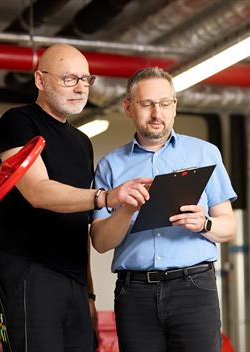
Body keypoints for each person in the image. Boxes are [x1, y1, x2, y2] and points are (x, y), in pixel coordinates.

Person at [0, 44, 149, 352]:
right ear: (40, 80)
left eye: (85, 79)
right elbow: (38, 191)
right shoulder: (19, 122)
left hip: (73, 280)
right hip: (30, 270)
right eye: (69, 79)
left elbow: (80, 224)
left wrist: (89, 294)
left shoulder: (81, 142)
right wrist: (106, 197)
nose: (80, 88)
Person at [90, 67, 237, 352]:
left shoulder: (206, 154)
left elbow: (229, 226)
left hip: (194, 288)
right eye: (147, 104)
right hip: (135, 294)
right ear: (129, 107)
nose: (157, 113)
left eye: (165, 103)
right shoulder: (111, 165)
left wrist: (204, 224)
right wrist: (125, 208)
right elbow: (100, 242)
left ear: (174, 107)